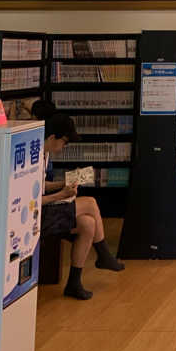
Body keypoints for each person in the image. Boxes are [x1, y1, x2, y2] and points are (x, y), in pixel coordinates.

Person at [41, 114, 125, 300]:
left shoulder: (44, 155)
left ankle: (74, 282)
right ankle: (103, 255)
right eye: (64, 142)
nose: (65, 147)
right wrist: (60, 195)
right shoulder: (35, 156)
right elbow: (31, 200)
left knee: (88, 224)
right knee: (90, 203)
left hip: (46, 209)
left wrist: (64, 183)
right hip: (38, 216)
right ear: (52, 137)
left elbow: (41, 186)